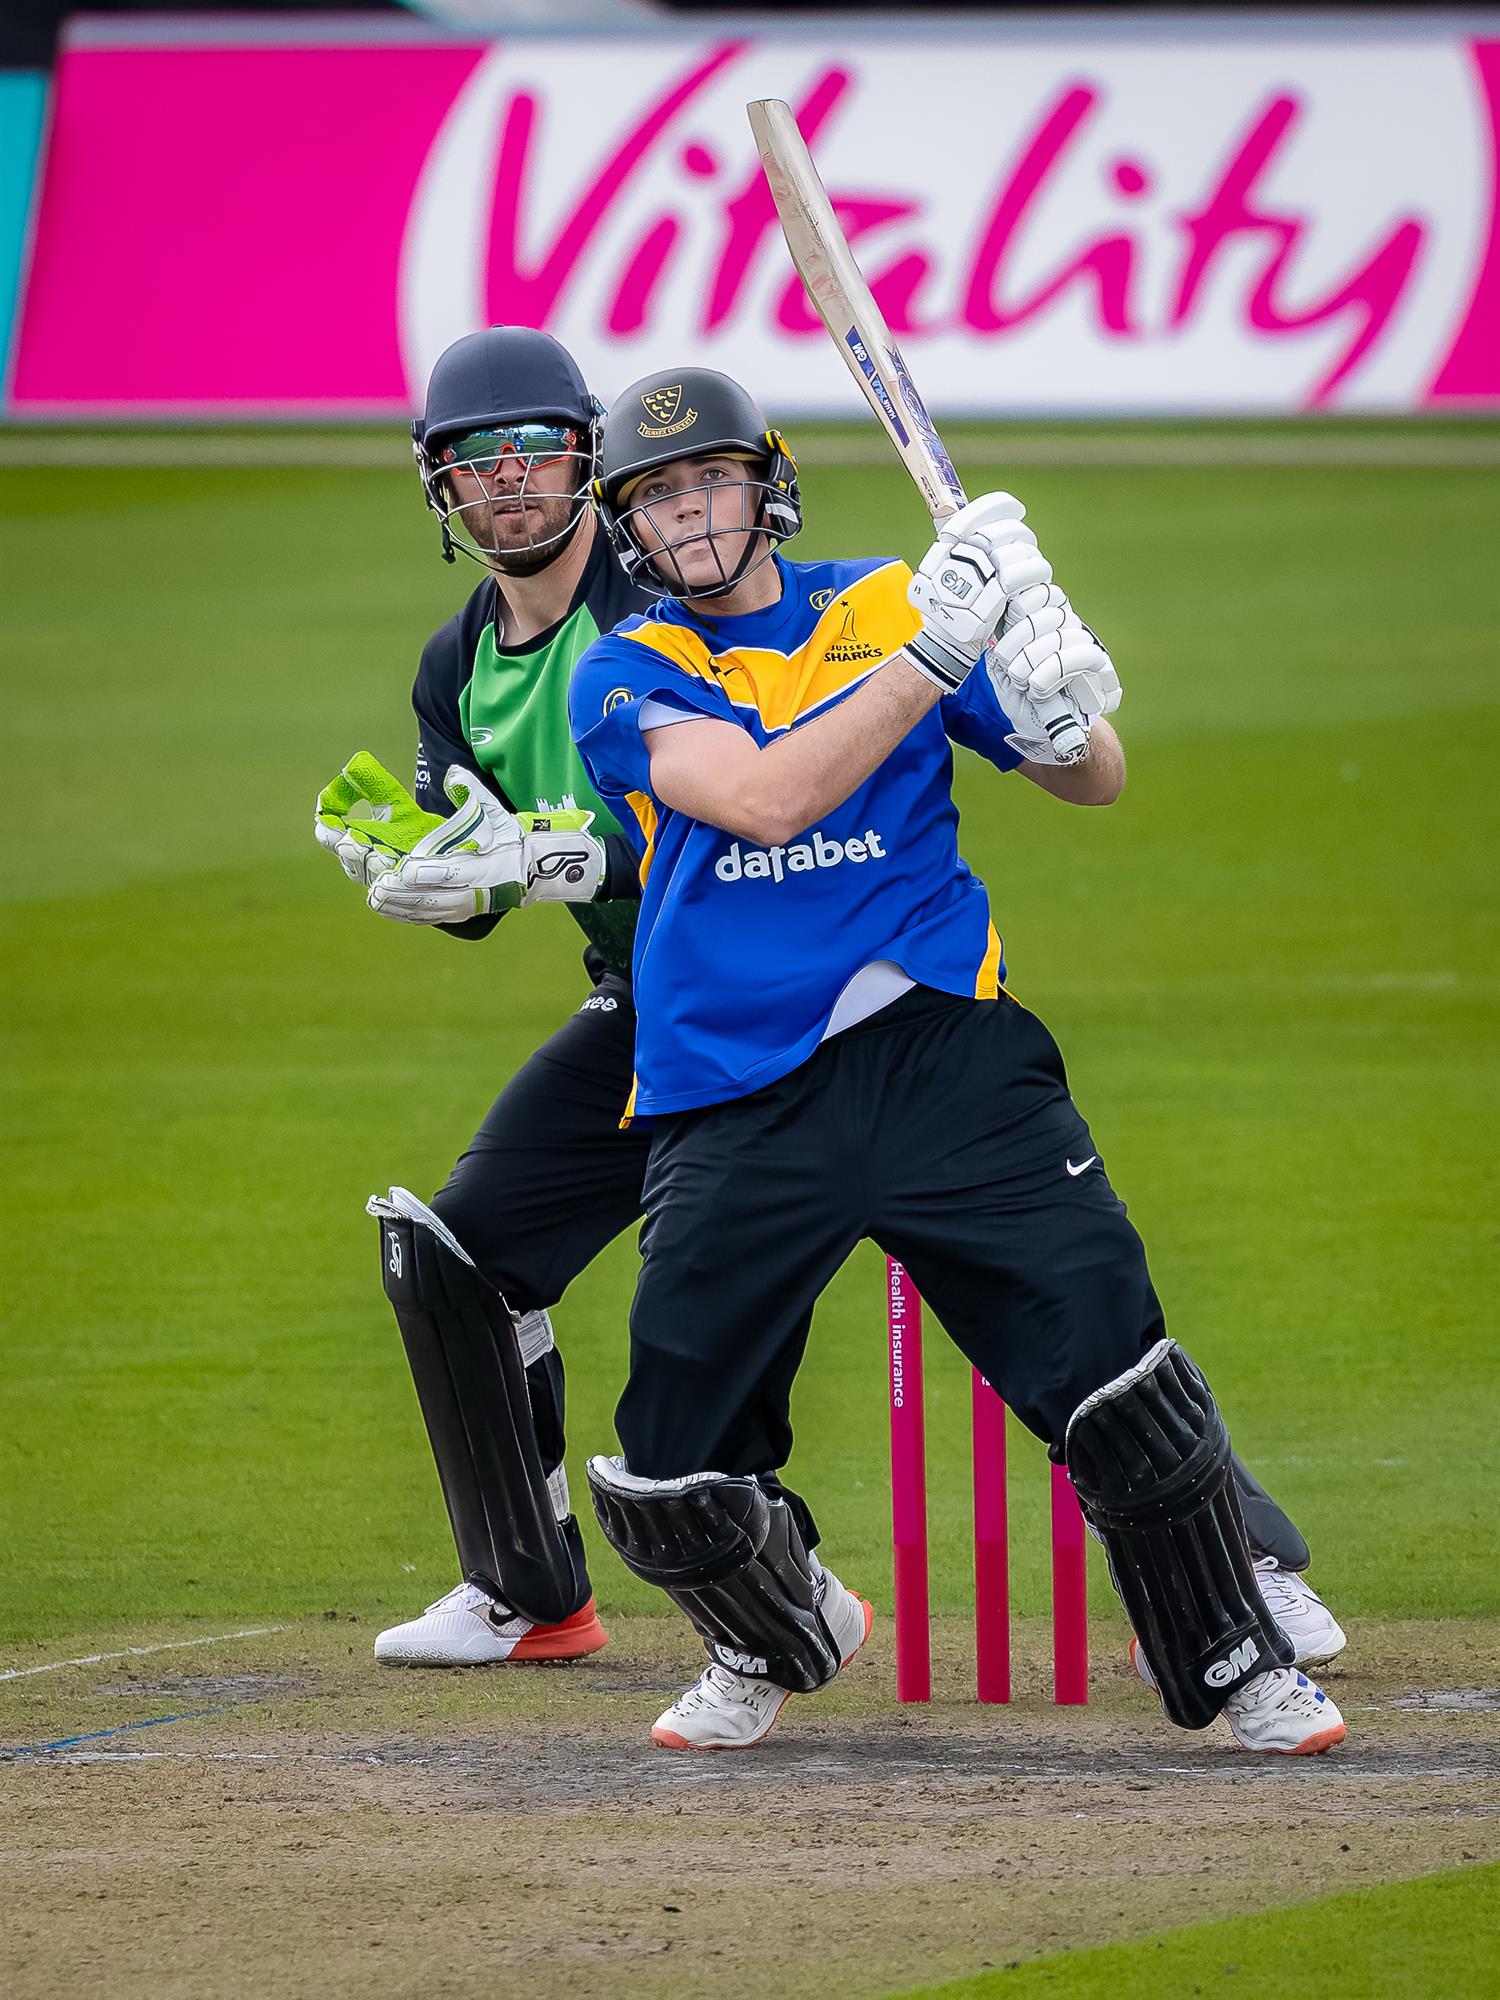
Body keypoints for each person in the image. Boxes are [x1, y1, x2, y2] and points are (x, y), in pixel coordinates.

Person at [563, 366, 1348, 1755]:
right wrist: (936, 655)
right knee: (671, 1453)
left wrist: (1053, 700)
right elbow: (760, 799)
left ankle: (1240, 1656)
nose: (689, 513)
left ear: (769, 485)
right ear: (632, 524)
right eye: (658, 494)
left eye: (712, 481)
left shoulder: (888, 599)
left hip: (946, 1050)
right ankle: (774, 1627)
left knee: (1111, 1359)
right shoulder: (630, 666)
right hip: (734, 1078)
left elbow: (1092, 778)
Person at [312, 326, 661, 1667]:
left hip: (811, 992)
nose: (509, 480)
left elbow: (740, 808)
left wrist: (562, 848)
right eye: (476, 459)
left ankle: (1239, 1565)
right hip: (645, 999)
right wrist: (440, 878)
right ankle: (529, 1588)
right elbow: (488, 870)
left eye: (535, 452)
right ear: (439, 485)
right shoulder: (455, 664)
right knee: (458, 1258)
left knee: (1015, 1279)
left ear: (586, 460)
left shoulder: (666, 603)